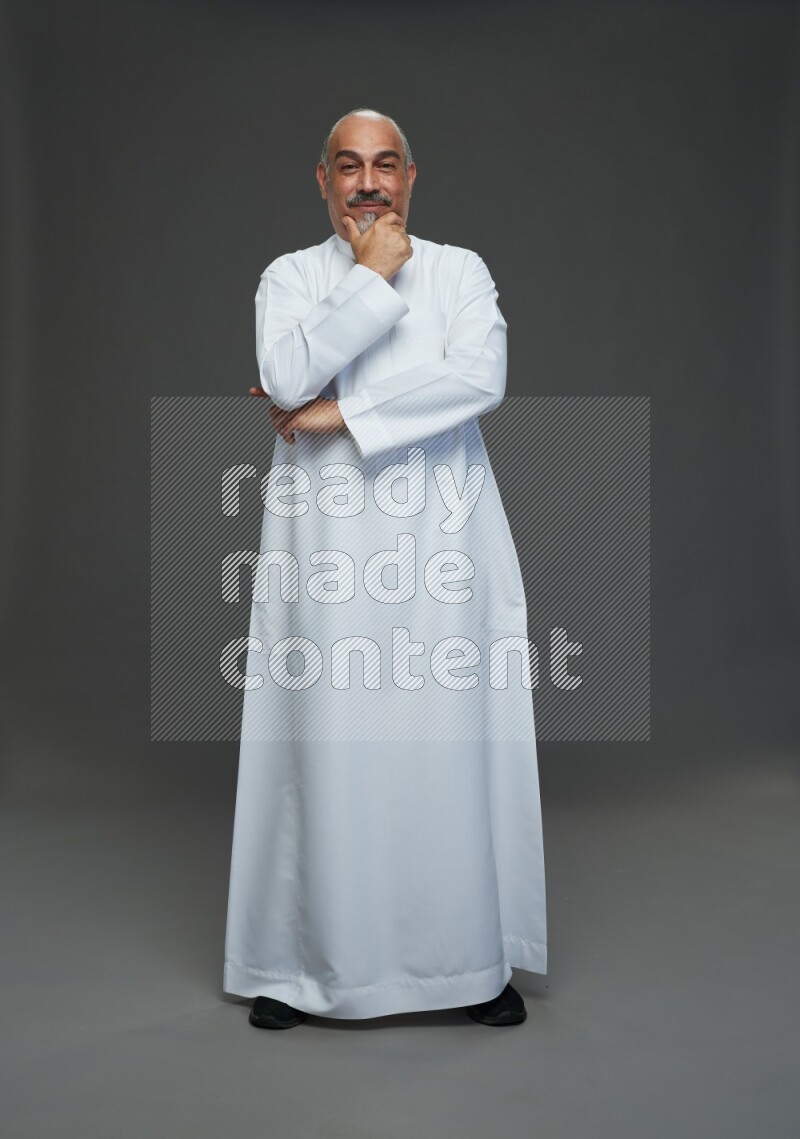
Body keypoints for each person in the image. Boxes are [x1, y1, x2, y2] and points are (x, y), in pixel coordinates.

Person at [223, 108, 547, 1029]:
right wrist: (370, 279)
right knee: (322, 736)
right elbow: (285, 375)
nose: (369, 181)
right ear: (321, 179)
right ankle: (297, 963)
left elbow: (480, 377)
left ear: (411, 178)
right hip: (324, 546)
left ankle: (468, 963)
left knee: (446, 737)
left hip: (442, 541)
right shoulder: (290, 276)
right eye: (349, 166)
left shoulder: (462, 270)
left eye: (386, 165)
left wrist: (340, 415)